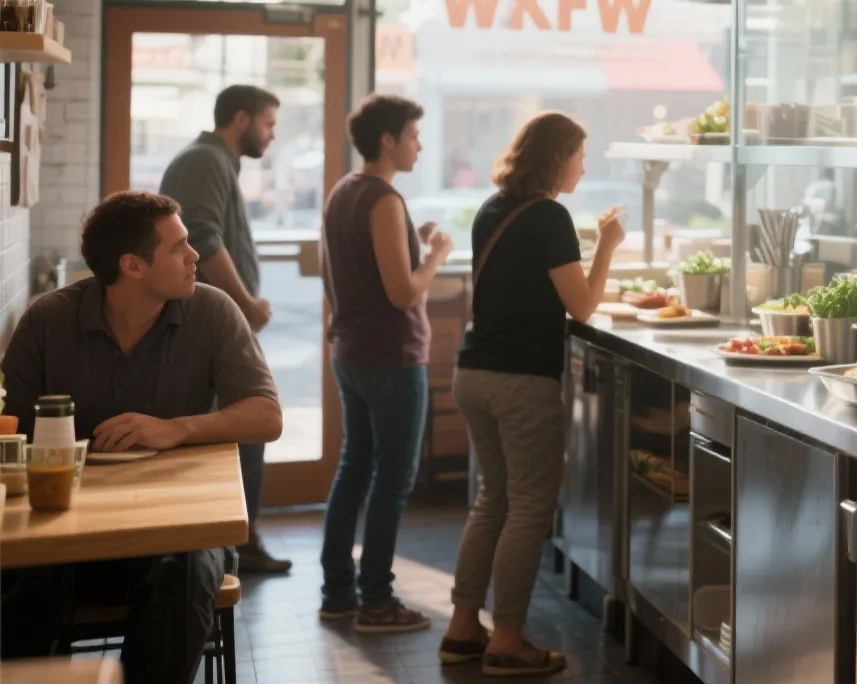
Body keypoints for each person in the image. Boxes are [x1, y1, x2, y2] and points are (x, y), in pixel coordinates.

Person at [0, 192, 283, 684]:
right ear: (131, 265)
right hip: (69, 533)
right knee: (24, 579)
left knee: (184, 573)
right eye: (178, 248)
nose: (195, 256)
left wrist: (177, 429)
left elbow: (267, 417)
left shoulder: (212, 312)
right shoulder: (48, 321)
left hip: (181, 531)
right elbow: (10, 430)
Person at [439, 111, 624, 676]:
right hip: (522, 382)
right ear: (557, 157)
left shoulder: (494, 209)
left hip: (474, 373)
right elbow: (584, 305)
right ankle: (510, 640)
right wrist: (609, 244)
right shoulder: (550, 216)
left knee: (493, 498)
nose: (584, 166)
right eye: (579, 156)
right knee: (527, 509)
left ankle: (464, 626)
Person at [317, 95, 454, 631]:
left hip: (350, 353)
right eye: (414, 135)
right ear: (388, 141)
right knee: (393, 482)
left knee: (354, 470)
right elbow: (402, 293)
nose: (420, 144)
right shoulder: (385, 199)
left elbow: (364, 267)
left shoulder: (344, 191)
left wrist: (413, 243)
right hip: (391, 359)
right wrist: (437, 255)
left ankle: (337, 594)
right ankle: (376, 601)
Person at [157, 82, 290, 575]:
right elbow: (205, 239)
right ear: (241, 119)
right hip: (215, 323)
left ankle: (238, 541)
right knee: (243, 421)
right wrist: (246, 303)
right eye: (268, 123)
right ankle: (231, 544)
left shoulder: (216, 162)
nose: (272, 135)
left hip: (220, 320)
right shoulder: (205, 161)